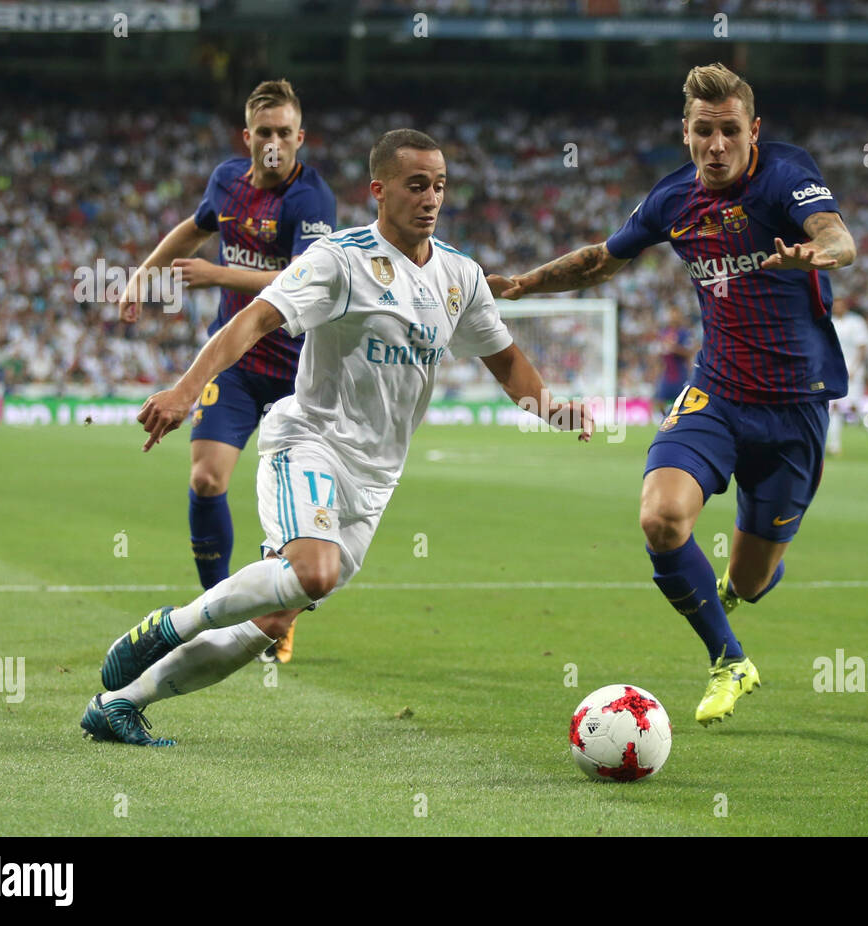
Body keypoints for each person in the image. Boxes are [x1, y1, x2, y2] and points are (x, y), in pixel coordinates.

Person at [82, 129, 592, 747]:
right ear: (379, 190)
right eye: (415, 185)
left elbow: (507, 362)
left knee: (274, 616)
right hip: (310, 443)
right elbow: (254, 320)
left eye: (439, 185)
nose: (430, 198)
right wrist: (188, 389)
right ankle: (169, 624)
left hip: (376, 479)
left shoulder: (462, 278)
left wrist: (551, 408)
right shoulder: (340, 259)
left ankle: (120, 704)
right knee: (315, 572)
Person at [488, 63, 856, 726]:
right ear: (685, 133)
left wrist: (821, 254)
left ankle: (733, 592)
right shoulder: (671, 201)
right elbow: (601, 258)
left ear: (754, 131)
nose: (718, 145)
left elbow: (835, 231)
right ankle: (730, 660)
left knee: (751, 581)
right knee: (661, 518)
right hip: (714, 392)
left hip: (796, 405)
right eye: (704, 131)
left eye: (731, 131)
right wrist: (521, 285)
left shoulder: (784, 173)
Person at [119, 79, 336, 664]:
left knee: (294, 512)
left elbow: (302, 278)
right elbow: (196, 225)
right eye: (263, 132)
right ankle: (218, 605)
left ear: (300, 138)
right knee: (206, 479)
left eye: (284, 133)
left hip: (303, 371)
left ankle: (280, 612)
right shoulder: (225, 181)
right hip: (238, 364)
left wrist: (219, 276)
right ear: (247, 137)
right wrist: (144, 273)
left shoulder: (312, 200)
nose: (273, 143)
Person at [825, 299, 868, 456]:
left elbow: (862, 347)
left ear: (846, 306)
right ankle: (834, 446)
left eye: (840, 305)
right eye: (835, 306)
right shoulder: (830, 321)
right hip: (835, 371)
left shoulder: (856, 322)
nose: (837, 308)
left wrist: (855, 368)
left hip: (853, 371)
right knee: (834, 407)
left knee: (855, 406)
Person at [653, 306, 699, 420]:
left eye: (675, 314)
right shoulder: (664, 332)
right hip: (667, 372)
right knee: (660, 401)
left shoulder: (684, 333)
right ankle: (666, 420)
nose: (673, 317)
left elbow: (689, 353)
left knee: (683, 401)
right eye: (671, 314)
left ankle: (678, 420)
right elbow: (660, 352)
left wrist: (674, 348)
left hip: (680, 372)